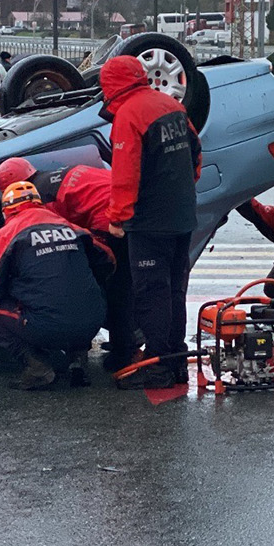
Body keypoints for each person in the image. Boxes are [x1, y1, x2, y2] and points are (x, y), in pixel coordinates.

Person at [101, 55, 201, 390]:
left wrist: (118, 218)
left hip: (150, 222)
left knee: (151, 293)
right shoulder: (168, 103)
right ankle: (176, 361)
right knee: (175, 290)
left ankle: (158, 366)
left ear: (111, 85)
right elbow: (196, 152)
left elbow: (125, 175)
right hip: (182, 215)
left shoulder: (129, 115)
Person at [0, 157, 136, 372]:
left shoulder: (42, 201)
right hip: (131, 204)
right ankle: (127, 336)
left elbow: (59, 240)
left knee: (112, 286)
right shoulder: (59, 174)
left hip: (113, 220)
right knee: (122, 281)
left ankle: (124, 350)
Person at [0, 181, 113, 390]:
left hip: (48, 326)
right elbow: (108, 260)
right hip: (93, 320)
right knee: (79, 295)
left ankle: (38, 369)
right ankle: (77, 360)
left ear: (7, 210)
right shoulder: (71, 227)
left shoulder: (7, 234)